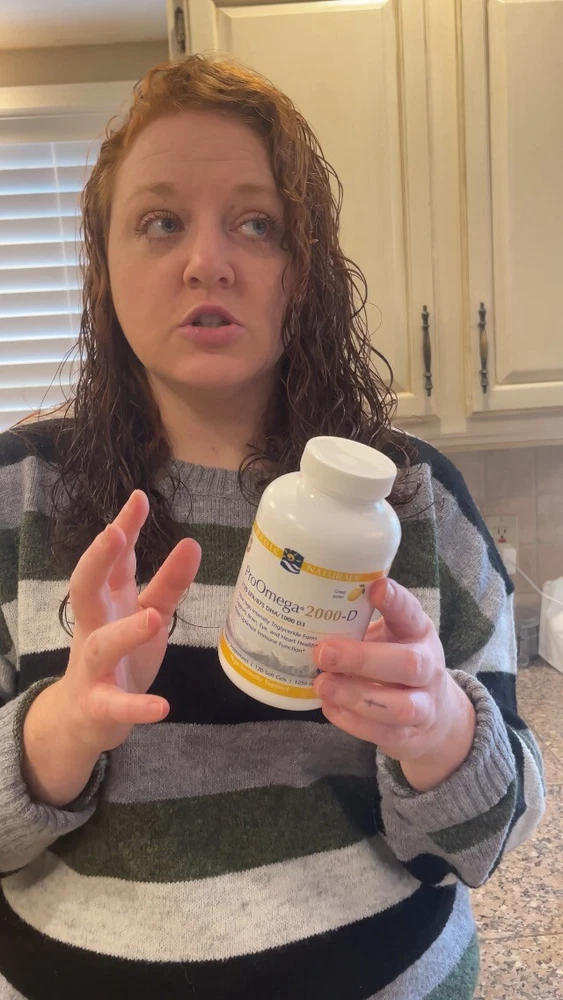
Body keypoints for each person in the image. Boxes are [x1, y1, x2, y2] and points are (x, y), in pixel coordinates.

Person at [0, 54, 545, 1000]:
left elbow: (487, 846)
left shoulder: (413, 502)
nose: (206, 262)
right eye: (161, 222)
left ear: (305, 270)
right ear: (104, 264)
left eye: (257, 224)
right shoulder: (19, 494)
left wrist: (439, 734)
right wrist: (64, 727)